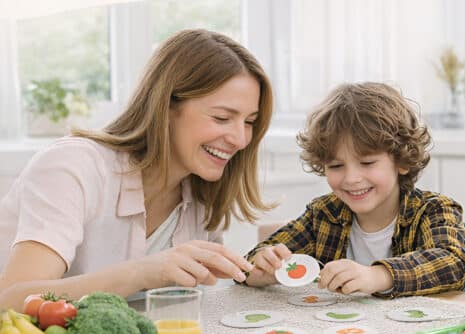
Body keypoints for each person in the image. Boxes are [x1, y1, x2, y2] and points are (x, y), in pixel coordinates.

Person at [0, 29, 272, 310]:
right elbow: (11, 302)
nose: (240, 139)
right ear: (166, 107)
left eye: (249, 121)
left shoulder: (201, 191)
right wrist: (143, 271)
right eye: (222, 117)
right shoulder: (73, 166)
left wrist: (250, 274)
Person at [243, 82, 465, 297]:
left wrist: (378, 276)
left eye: (367, 163)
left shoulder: (434, 210)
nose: (351, 179)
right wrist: (263, 269)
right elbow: (248, 265)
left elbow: (453, 263)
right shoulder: (323, 214)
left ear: (402, 161)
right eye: (336, 166)